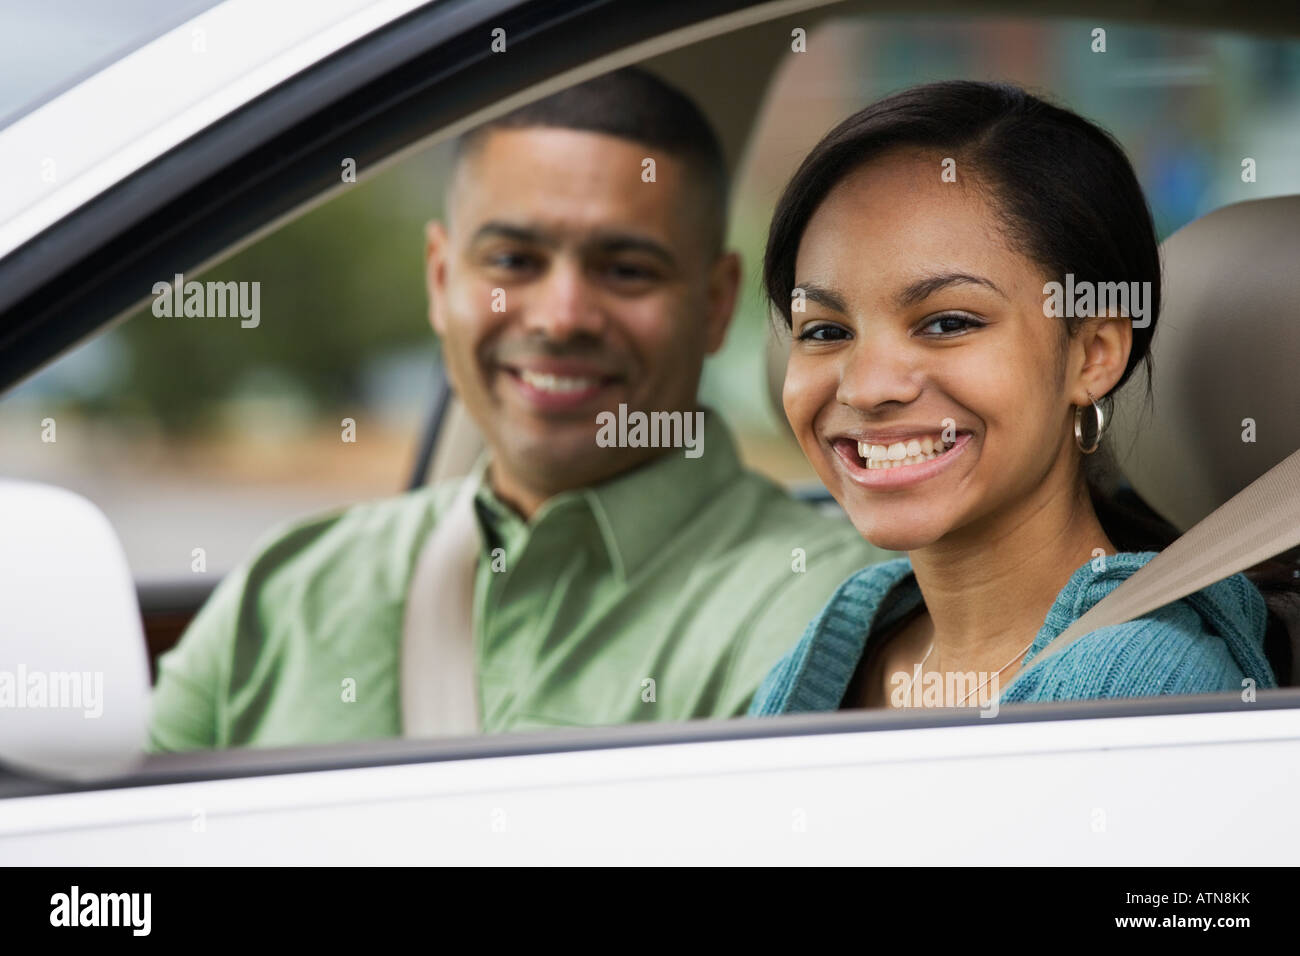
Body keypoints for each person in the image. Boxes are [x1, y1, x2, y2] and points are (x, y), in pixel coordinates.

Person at [148, 68, 885, 750]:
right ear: (440, 281)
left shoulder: (825, 614)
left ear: (717, 304)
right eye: (513, 262)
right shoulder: (283, 594)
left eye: (626, 269)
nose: (561, 316)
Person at [748, 80, 1278, 715]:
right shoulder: (843, 640)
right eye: (826, 332)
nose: (867, 388)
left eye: (948, 323)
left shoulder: (1145, 685)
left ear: (1092, 354)